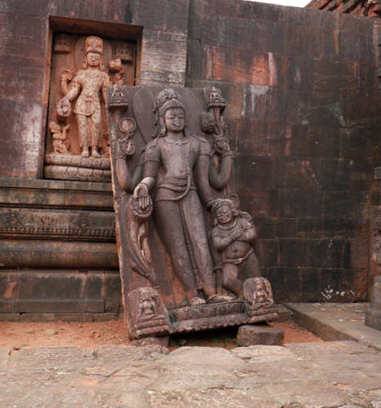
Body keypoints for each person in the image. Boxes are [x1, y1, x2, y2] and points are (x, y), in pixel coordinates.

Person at [132, 89, 232, 305]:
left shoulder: (198, 144)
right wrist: (142, 186)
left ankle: (211, 291)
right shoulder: (155, 146)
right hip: (164, 196)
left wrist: (212, 202)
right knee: (177, 246)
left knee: (200, 242)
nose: (177, 120)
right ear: (162, 119)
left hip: (191, 193)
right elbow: (150, 177)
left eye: (180, 116)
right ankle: (192, 295)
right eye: (172, 117)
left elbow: (206, 182)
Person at [60, 36, 110, 158]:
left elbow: (105, 92)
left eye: (96, 57)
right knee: (83, 126)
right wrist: (67, 98)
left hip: (95, 103)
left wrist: (109, 104)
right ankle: (84, 149)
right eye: (91, 56)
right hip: (81, 103)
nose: (93, 59)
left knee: (96, 125)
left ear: (101, 59)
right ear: (85, 59)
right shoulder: (81, 74)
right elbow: (75, 90)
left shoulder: (103, 75)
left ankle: (94, 149)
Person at [208, 197, 260, 298]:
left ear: (232, 212)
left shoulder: (241, 222)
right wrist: (232, 237)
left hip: (248, 257)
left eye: (225, 212)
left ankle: (257, 298)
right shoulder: (216, 230)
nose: (223, 215)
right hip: (230, 262)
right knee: (227, 281)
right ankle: (244, 293)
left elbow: (252, 235)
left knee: (256, 280)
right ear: (215, 217)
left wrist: (232, 238)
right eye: (219, 214)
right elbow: (218, 245)